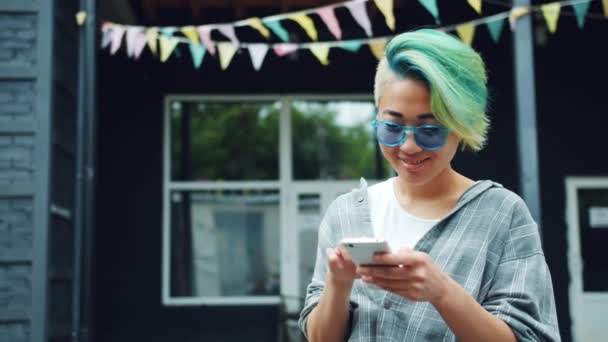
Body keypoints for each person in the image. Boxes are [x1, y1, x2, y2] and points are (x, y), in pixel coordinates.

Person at [298, 29, 560, 342]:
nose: (408, 147)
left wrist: (442, 292)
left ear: (462, 126)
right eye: (392, 127)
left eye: (430, 130)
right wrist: (338, 285)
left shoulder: (502, 216)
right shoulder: (346, 214)